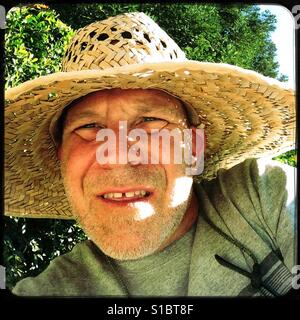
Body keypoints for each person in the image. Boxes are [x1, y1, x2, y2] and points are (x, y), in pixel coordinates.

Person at [5, 12, 296, 297]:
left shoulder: (263, 195)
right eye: (90, 127)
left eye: (149, 121)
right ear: (62, 158)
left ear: (194, 148)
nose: (118, 156)